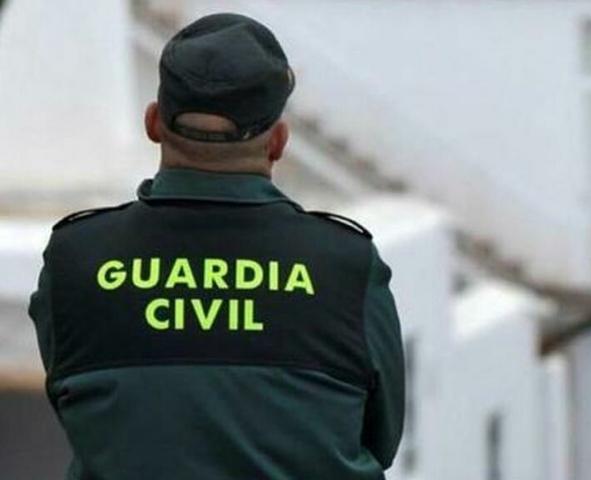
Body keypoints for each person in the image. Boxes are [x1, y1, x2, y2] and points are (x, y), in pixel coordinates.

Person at [28, 13, 405, 480]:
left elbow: (85, 412)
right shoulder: (346, 266)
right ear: (278, 142)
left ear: (153, 122)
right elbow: (381, 440)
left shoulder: (76, 259)